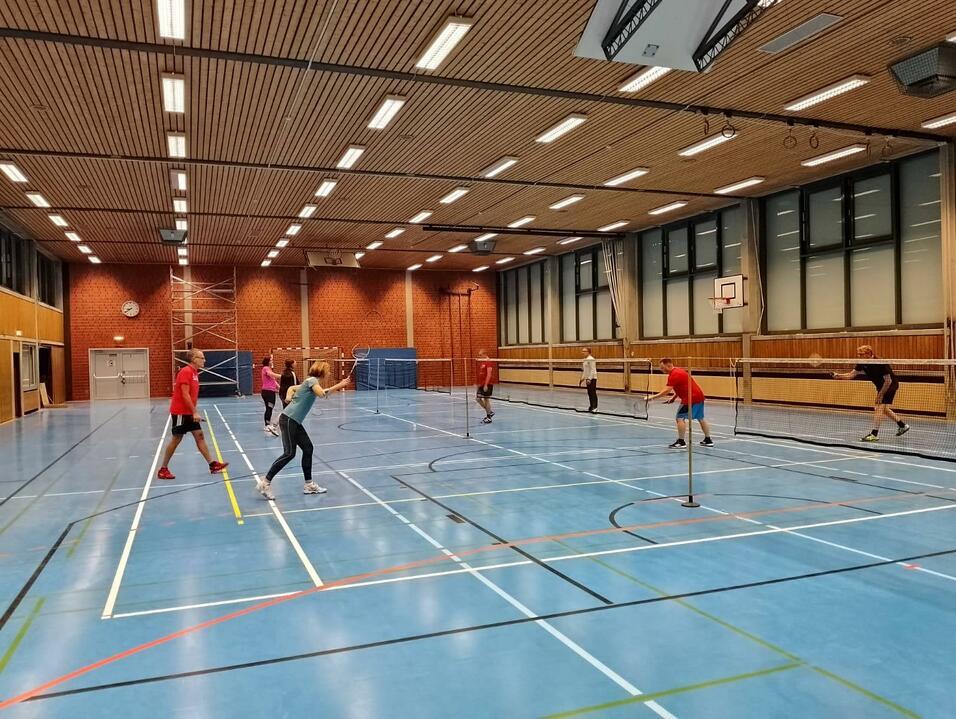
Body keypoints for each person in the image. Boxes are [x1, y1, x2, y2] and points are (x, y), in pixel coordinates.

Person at [256, 361, 352, 500]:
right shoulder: (312, 381)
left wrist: (289, 395)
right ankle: (265, 482)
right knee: (289, 453)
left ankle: (309, 484)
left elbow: (292, 388)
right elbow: (322, 394)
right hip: (289, 419)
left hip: (294, 421)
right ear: (322, 371)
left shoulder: (309, 382)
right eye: (328, 371)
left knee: (308, 448)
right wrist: (340, 385)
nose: (329, 373)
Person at [157, 349, 229, 480]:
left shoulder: (195, 373)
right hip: (180, 412)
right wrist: (194, 411)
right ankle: (163, 469)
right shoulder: (185, 372)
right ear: (193, 359)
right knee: (176, 439)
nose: (204, 360)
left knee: (200, 436)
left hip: (189, 412)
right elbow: (184, 394)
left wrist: (193, 411)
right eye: (202, 358)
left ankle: (212, 464)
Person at [833, 345, 909, 442]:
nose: (859, 356)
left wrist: (880, 394)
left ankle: (874, 434)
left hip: (890, 385)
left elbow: (888, 381)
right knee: (883, 408)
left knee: (878, 407)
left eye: (861, 354)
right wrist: (838, 376)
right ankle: (902, 425)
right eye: (858, 354)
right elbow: (851, 375)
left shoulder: (880, 362)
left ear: (869, 354)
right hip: (880, 386)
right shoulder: (862, 363)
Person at [647, 358, 713, 448]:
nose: (662, 370)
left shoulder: (674, 374)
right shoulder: (679, 371)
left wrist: (652, 397)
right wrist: (674, 397)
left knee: (680, 418)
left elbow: (666, 391)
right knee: (700, 417)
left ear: (668, 365)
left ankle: (681, 442)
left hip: (690, 398)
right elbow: (682, 386)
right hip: (699, 396)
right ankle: (708, 440)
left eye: (663, 368)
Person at [260, 355, 281, 436]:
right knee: (269, 408)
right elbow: (271, 374)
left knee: (269, 408)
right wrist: (282, 376)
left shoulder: (269, 369)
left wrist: (280, 388)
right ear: (268, 361)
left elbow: (273, 381)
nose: (272, 361)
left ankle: (267, 424)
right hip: (268, 392)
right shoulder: (266, 368)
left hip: (270, 392)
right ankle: (267, 425)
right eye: (271, 360)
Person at [475, 350, 495, 424]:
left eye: (480, 355)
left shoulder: (488, 362)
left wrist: (486, 384)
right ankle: (490, 412)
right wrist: (478, 384)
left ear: (484, 354)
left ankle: (489, 417)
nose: (479, 356)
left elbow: (489, 374)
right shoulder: (482, 362)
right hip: (481, 384)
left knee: (486, 399)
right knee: (478, 399)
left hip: (487, 384)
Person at [579, 347, 598, 413]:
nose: (583, 352)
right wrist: (582, 378)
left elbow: (593, 370)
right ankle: (591, 406)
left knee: (593, 393)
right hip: (587, 378)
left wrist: (589, 378)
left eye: (584, 351)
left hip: (592, 378)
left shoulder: (591, 359)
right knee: (589, 393)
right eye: (582, 351)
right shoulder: (585, 360)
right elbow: (585, 370)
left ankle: (595, 407)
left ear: (588, 352)